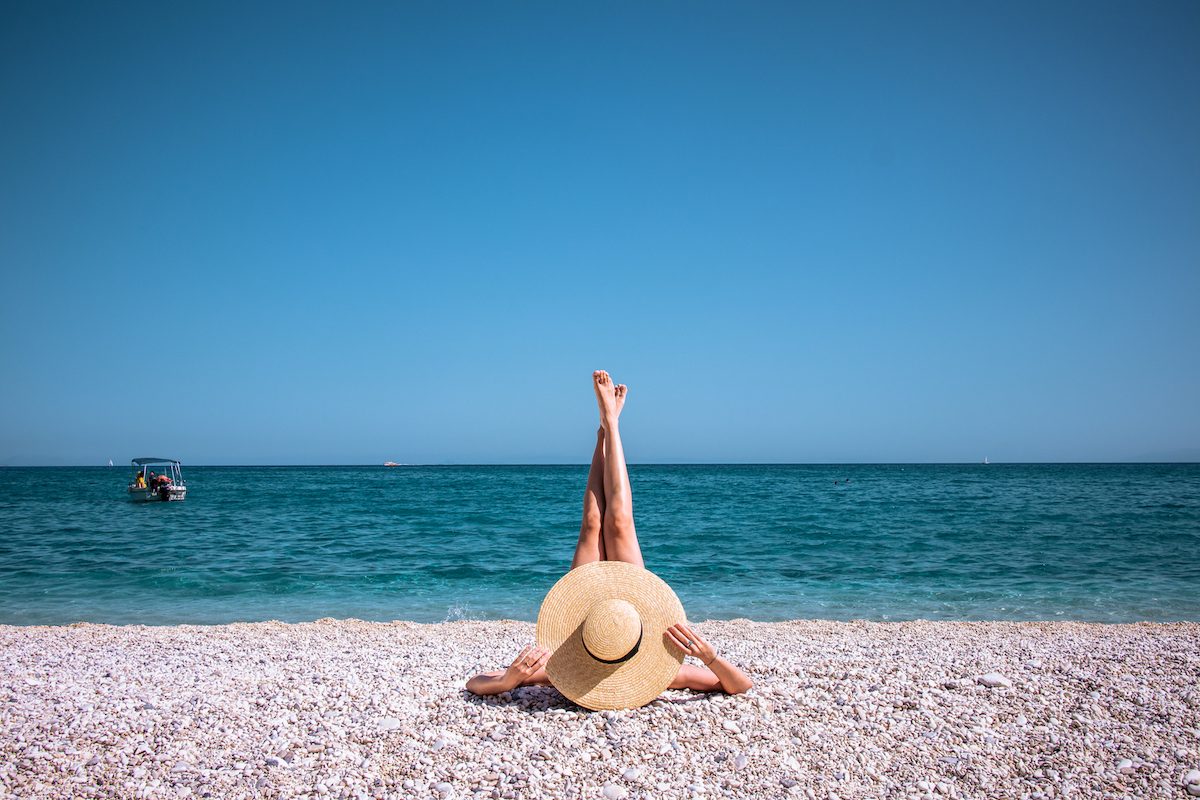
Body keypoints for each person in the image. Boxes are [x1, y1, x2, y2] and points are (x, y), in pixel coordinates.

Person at [466, 371, 752, 701]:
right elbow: (740, 686)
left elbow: (476, 682)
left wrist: (506, 681)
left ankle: (602, 433)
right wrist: (709, 658)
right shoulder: (669, 675)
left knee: (591, 523)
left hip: (585, 615)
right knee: (618, 523)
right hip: (631, 612)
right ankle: (612, 424)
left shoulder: (563, 672)